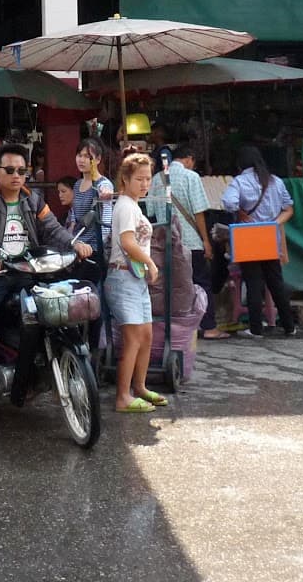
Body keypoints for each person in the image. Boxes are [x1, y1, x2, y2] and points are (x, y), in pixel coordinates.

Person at [0, 143, 91, 416]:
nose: (16, 175)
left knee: (53, 314)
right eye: (10, 170)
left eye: (22, 170)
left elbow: (53, 229)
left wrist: (75, 244)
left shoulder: (33, 200)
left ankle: (31, 378)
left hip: (31, 271)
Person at [106, 152, 165, 413]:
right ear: (125, 179)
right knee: (132, 338)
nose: (144, 184)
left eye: (148, 179)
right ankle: (123, 397)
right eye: (139, 179)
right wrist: (151, 263)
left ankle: (139, 387)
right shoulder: (126, 206)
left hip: (134, 277)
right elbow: (127, 242)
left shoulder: (133, 205)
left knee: (147, 335)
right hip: (122, 277)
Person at [221, 146, 298, 338]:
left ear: (241, 164)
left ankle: (256, 329)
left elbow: (228, 203)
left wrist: (240, 211)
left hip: (248, 236)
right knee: (276, 282)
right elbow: (288, 208)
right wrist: (272, 224)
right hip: (270, 236)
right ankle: (289, 326)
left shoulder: (239, 182)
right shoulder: (276, 181)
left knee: (253, 282)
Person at [160, 144, 222, 340]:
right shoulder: (191, 177)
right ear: (189, 159)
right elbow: (199, 212)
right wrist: (206, 241)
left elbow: (153, 213)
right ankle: (209, 327)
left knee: (173, 287)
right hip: (190, 242)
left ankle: (179, 329)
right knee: (201, 283)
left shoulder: (155, 179)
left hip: (166, 244)